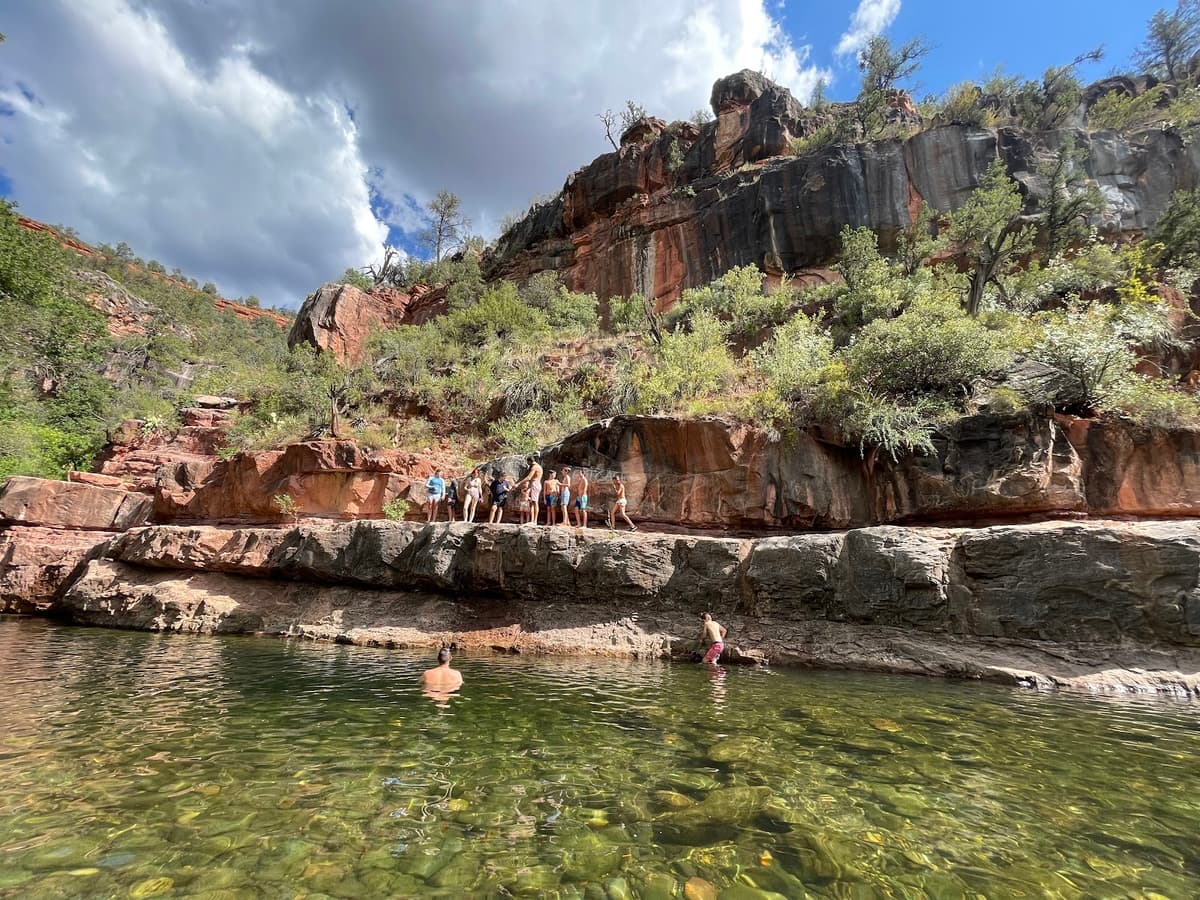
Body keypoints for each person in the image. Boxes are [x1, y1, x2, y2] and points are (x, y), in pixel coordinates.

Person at [515, 457, 543, 526]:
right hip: (536, 484)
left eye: (528, 463)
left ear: (530, 461)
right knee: (533, 502)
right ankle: (532, 520)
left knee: (535, 502)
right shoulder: (539, 467)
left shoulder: (535, 467)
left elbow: (529, 477)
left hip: (535, 484)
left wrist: (518, 483)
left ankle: (534, 521)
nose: (528, 464)